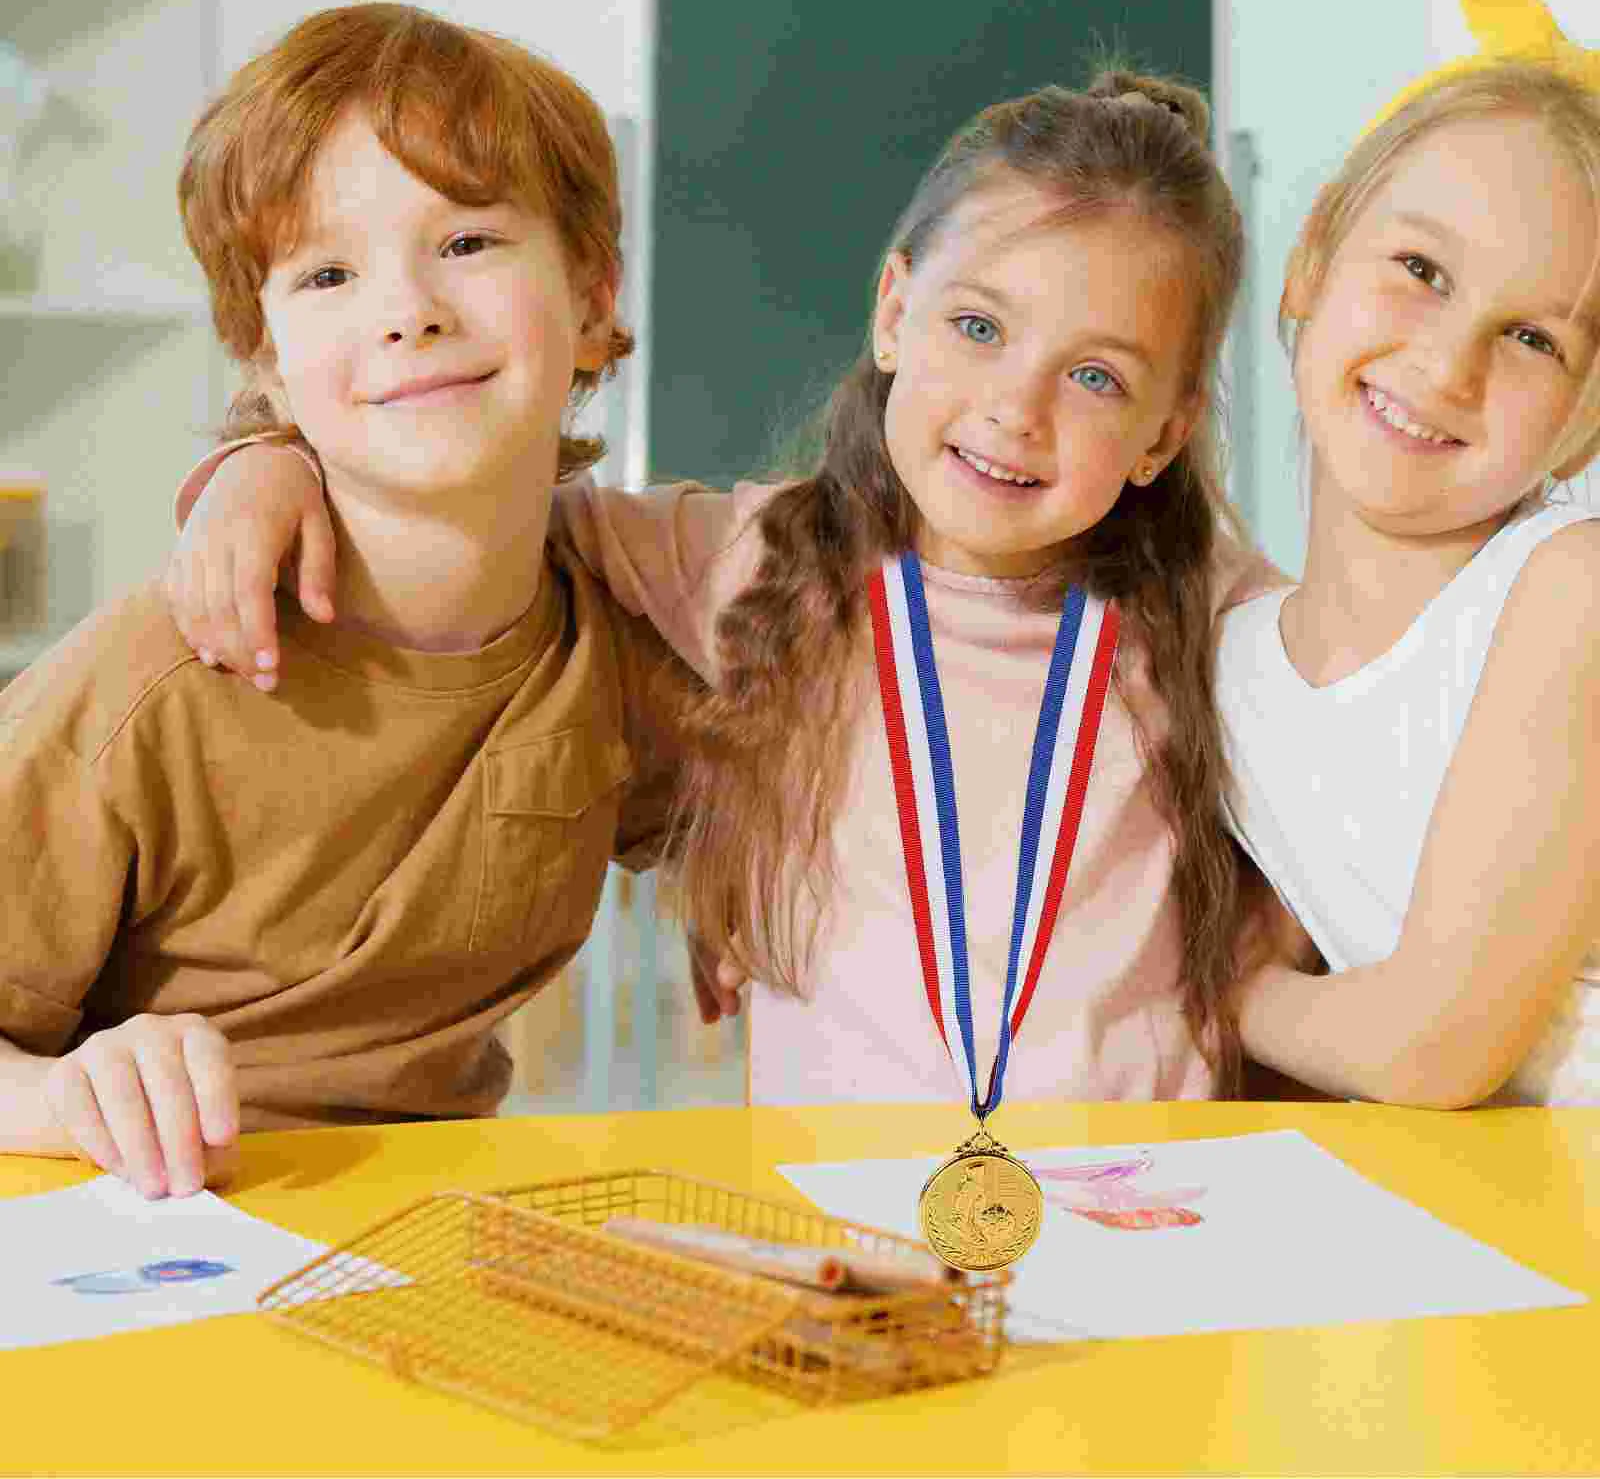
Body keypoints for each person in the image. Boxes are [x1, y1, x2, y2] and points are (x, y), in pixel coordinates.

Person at [166, 69, 1290, 1110]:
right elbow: (448, 503)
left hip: (1145, 1212)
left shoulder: (1229, 623)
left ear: (1166, 432)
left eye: (1096, 376)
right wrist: (263, 463)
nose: (1016, 406)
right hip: (844, 1233)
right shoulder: (752, 555)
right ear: (894, 310)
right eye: (978, 327)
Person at [0, 2, 689, 1198]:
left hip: (425, 1236)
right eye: (327, 271)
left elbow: (753, 817)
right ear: (265, 360)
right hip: (133, 1247)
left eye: (467, 242)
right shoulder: (158, 679)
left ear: (589, 296)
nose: (407, 308)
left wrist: (744, 892)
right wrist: (59, 1094)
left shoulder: (619, 637)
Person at [1219, 0, 1600, 1107]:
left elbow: (1432, 1045)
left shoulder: (1569, 589)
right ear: (1309, 262)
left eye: (1532, 338)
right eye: (1420, 270)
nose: (1446, 365)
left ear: (1586, 417)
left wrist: (1214, 988)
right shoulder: (1228, 665)